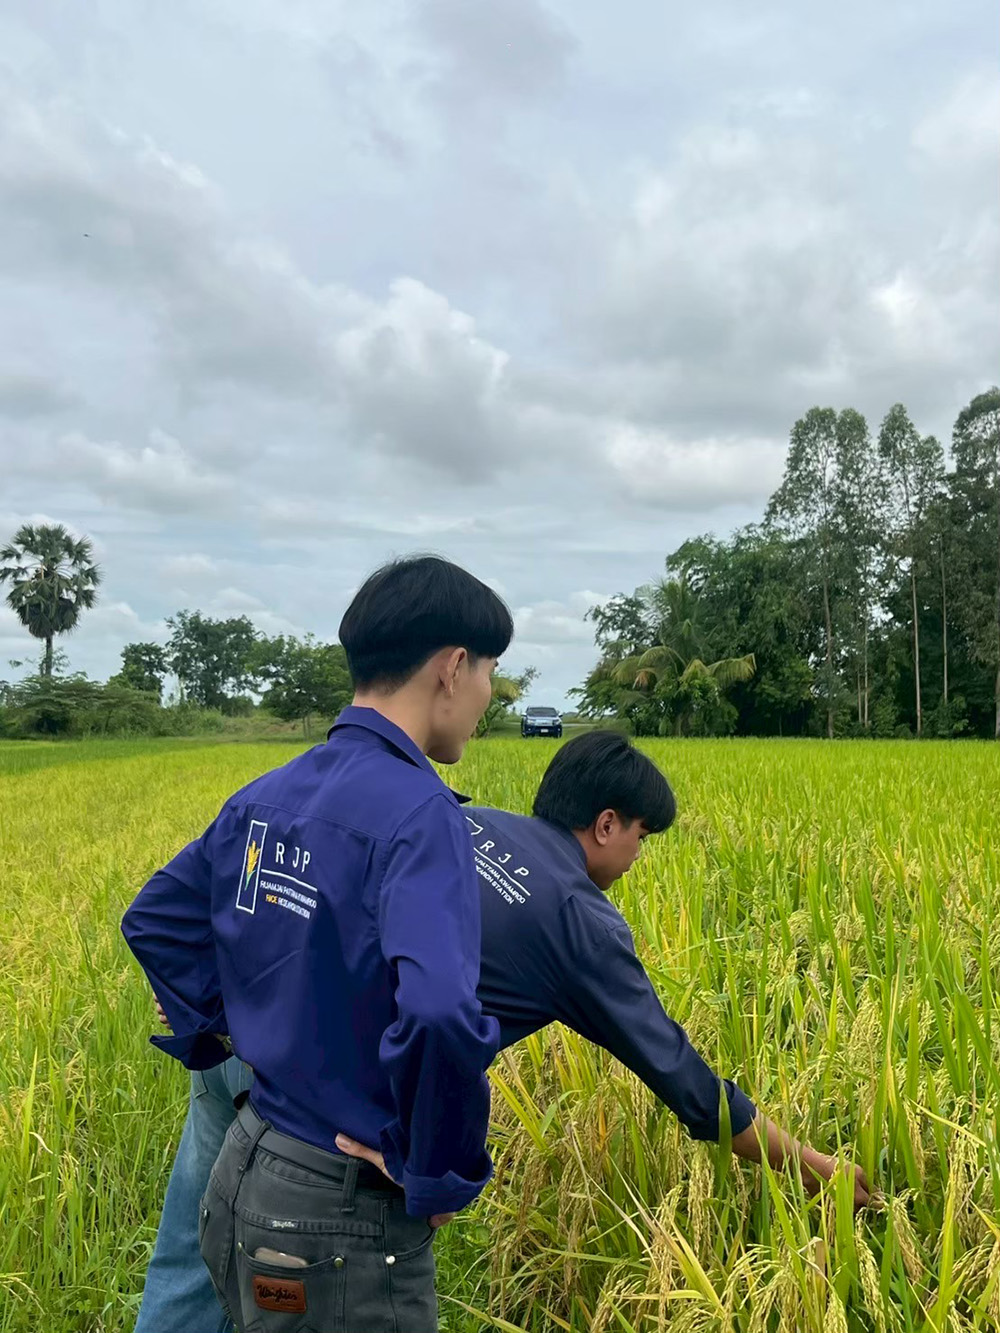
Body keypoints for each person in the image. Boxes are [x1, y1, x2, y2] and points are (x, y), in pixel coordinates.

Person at [132, 732, 870, 1333]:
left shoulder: (456, 819)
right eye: (642, 836)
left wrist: (218, 1010)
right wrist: (813, 1164)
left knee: (194, 1276)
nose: (639, 856)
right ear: (606, 824)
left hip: (245, 1055)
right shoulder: (579, 921)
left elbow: (301, 896)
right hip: (333, 1117)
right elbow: (691, 1085)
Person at [122, 554, 514, 1333]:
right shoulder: (421, 812)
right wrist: (434, 1173)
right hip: (341, 1216)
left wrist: (230, 1036)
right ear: (453, 665)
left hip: (247, 1167)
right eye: (490, 672)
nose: (488, 697)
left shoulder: (267, 795)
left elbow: (155, 918)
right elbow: (439, 1010)